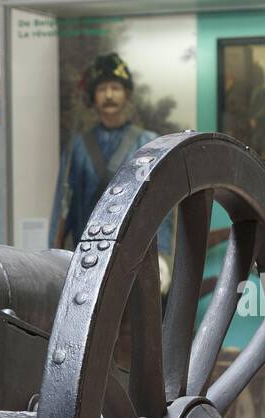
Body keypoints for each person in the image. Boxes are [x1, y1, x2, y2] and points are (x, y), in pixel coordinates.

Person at [49, 53, 171, 275]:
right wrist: (52, 255)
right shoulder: (78, 147)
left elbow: (158, 203)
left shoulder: (147, 143)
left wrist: (161, 254)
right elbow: (63, 205)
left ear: (126, 93)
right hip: (88, 258)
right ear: (94, 97)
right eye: (102, 89)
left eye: (115, 88)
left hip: (136, 257)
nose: (109, 95)